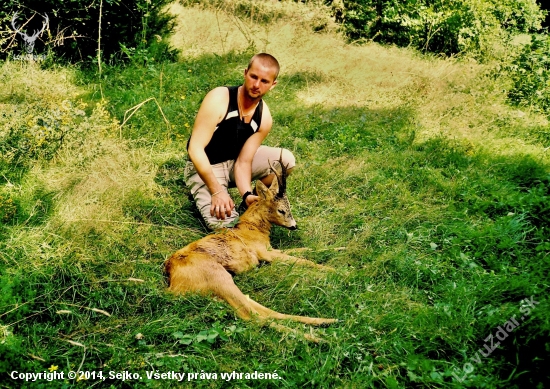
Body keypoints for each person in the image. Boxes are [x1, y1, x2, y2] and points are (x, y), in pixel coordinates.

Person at [185, 53, 295, 230]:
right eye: (253, 77)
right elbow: (195, 149)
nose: (256, 85)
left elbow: (244, 161)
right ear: (245, 73)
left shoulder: (264, 117)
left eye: (264, 81)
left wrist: (246, 195)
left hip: (234, 163)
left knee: (286, 160)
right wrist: (217, 191)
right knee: (227, 226)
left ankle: (257, 201)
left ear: (273, 85)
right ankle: (203, 190)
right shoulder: (220, 98)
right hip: (205, 165)